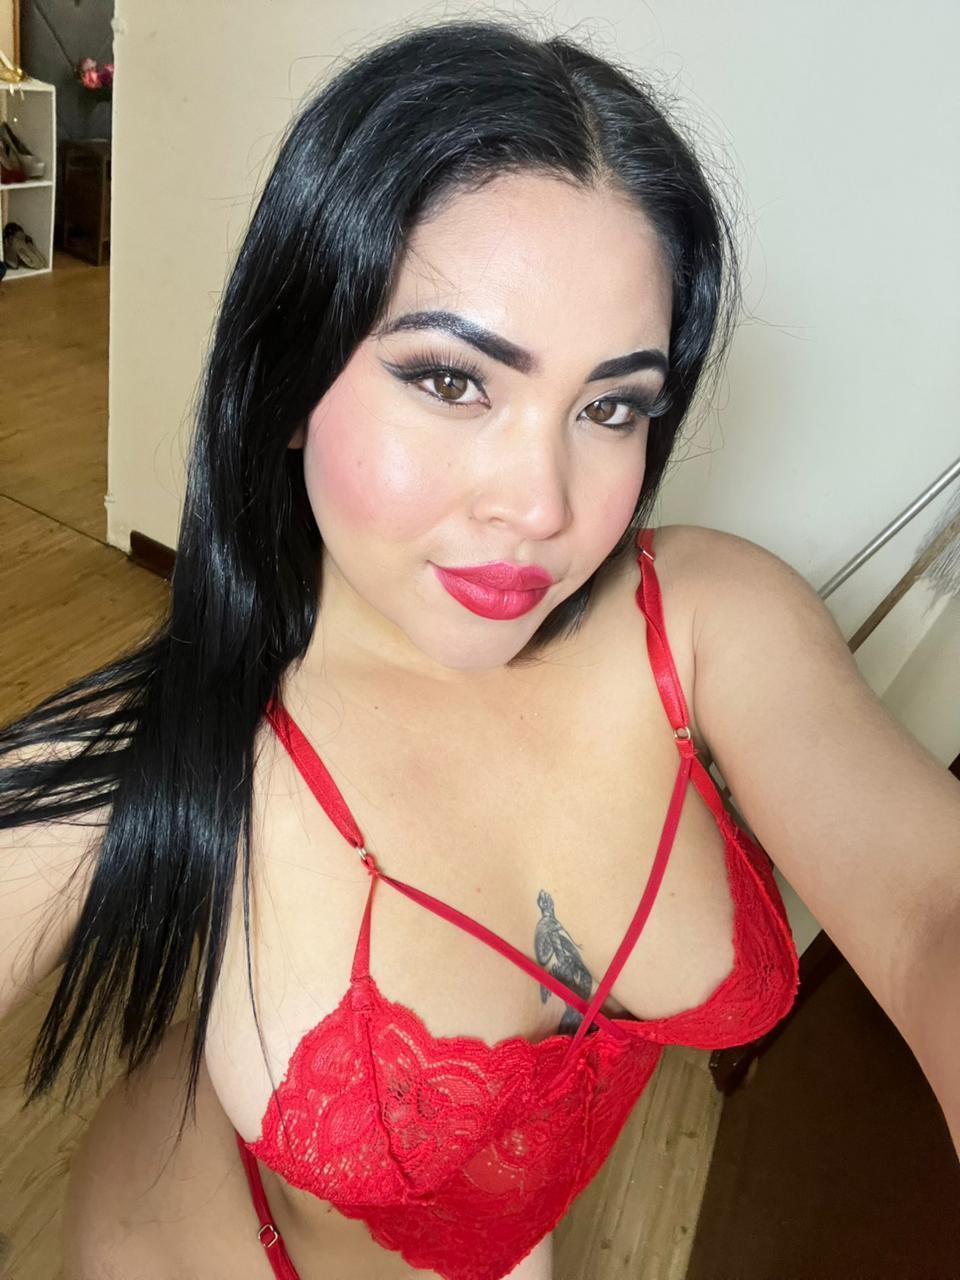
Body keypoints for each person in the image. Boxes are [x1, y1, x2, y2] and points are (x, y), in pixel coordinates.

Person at [2, 16, 957, 1280]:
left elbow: (932, 906)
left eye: (610, 404)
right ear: (289, 382)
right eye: (453, 381)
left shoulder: (709, 621)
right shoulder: (153, 752)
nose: (543, 505)